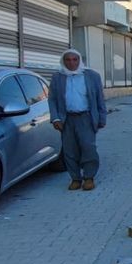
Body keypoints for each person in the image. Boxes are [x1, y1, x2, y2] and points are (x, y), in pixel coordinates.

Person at [49, 49, 108, 191]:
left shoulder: (91, 76)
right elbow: (52, 99)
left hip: (86, 118)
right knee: (70, 150)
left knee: (88, 147)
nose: (71, 63)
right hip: (67, 119)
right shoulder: (58, 77)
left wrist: (102, 117)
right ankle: (75, 178)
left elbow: (100, 98)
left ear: (79, 60)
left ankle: (89, 177)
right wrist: (55, 118)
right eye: (68, 60)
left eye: (74, 59)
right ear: (63, 61)